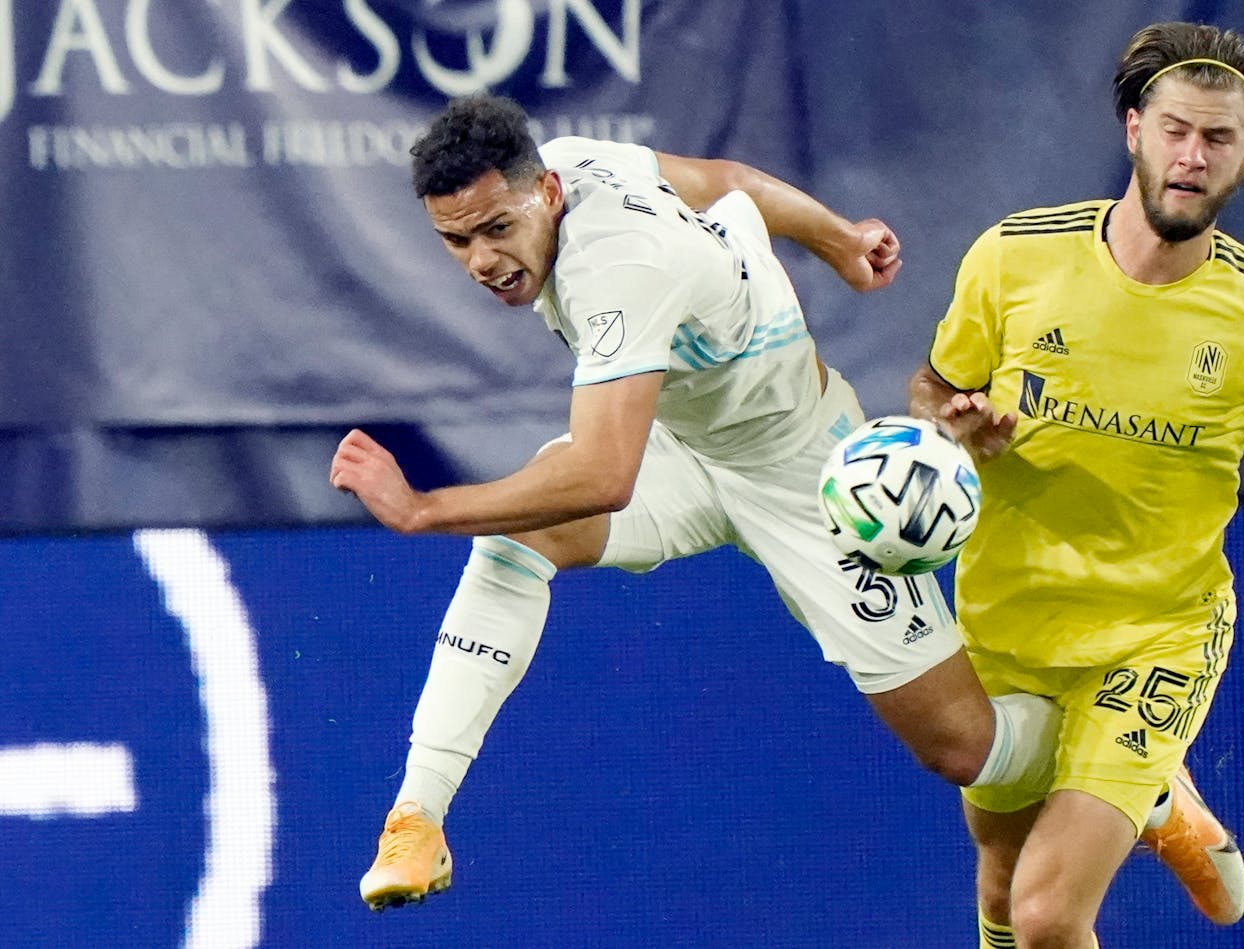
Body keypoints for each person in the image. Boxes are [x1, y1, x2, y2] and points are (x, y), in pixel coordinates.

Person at [329, 94, 1078, 912]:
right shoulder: (578, 160)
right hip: (685, 446)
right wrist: (838, 237)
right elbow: (723, 182)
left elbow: (603, 474)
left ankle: (1126, 766)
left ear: (542, 194)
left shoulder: (617, 270)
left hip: (808, 473)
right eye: (457, 239)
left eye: (496, 229)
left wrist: (423, 509)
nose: (481, 260)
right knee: (521, 535)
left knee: (966, 748)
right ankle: (417, 815)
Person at [910, 20, 1244, 948]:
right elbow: (936, 388)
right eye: (1177, 130)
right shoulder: (1014, 257)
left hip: (1157, 633)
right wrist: (955, 426)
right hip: (1009, 618)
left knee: (1045, 913)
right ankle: (1164, 802)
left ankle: (1142, 775)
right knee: (997, 880)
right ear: (1134, 130)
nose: (1194, 157)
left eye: (1219, 139)